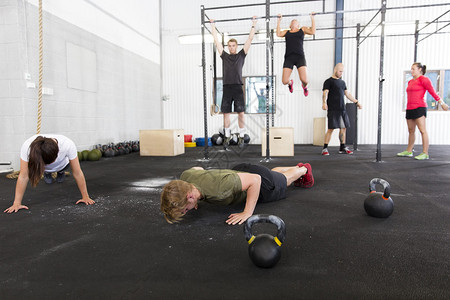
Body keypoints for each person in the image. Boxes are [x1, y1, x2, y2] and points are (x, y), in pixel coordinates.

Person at [160, 162, 314, 225]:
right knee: (272, 174)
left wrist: (247, 212)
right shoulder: (185, 178)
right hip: (239, 172)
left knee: (285, 180)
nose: (187, 211)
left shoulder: (219, 190)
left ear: (190, 196)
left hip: (258, 183)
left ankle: (303, 169)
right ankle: (293, 168)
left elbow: (255, 180)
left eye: (186, 209)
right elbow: (198, 169)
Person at [4, 134, 95, 213]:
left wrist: (85, 196)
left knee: (61, 172)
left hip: (62, 165)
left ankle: (60, 171)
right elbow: (23, 176)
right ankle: (47, 172)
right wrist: (16, 203)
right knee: (47, 178)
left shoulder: (67, 144)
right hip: (41, 168)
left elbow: (77, 172)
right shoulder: (27, 147)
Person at [210, 17, 258, 149]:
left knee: (241, 112)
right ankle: (226, 136)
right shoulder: (224, 56)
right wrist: (213, 26)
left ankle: (241, 136)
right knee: (226, 113)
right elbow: (216, 41)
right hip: (226, 88)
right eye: (229, 46)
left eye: (233, 46)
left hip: (237, 87)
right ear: (228, 47)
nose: (231, 47)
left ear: (236, 46)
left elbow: (249, 40)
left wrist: (253, 24)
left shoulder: (241, 55)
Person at [397, 63, 448, 160]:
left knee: (422, 130)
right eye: (411, 69)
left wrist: (442, 103)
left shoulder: (424, 80)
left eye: (413, 69)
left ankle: (425, 153)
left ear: (419, 69)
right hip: (410, 108)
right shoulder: (410, 82)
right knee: (411, 131)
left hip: (419, 107)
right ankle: (409, 151)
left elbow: (432, 92)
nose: (411, 71)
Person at [321, 63, 362, 155]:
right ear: (335, 70)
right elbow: (325, 93)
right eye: (340, 71)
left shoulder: (342, 82)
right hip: (332, 109)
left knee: (343, 128)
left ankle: (342, 147)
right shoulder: (328, 81)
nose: (341, 73)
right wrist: (324, 103)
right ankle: (325, 148)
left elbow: (347, 94)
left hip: (342, 109)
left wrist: (356, 102)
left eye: (342, 71)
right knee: (331, 128)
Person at [277, 13, 315, 97]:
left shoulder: (302, 30)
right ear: (290, 25)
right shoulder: (287, 32)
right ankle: (290, 83)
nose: (294, 22)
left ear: (298, 25)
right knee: (284, 81)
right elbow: (278, 34)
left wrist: (312, 18)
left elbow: (313, 31)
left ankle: (304, 87)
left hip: (299, 57)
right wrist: (279, 21)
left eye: (296, 22)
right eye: (292, 22)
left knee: (304, 80)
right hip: (289, 58)